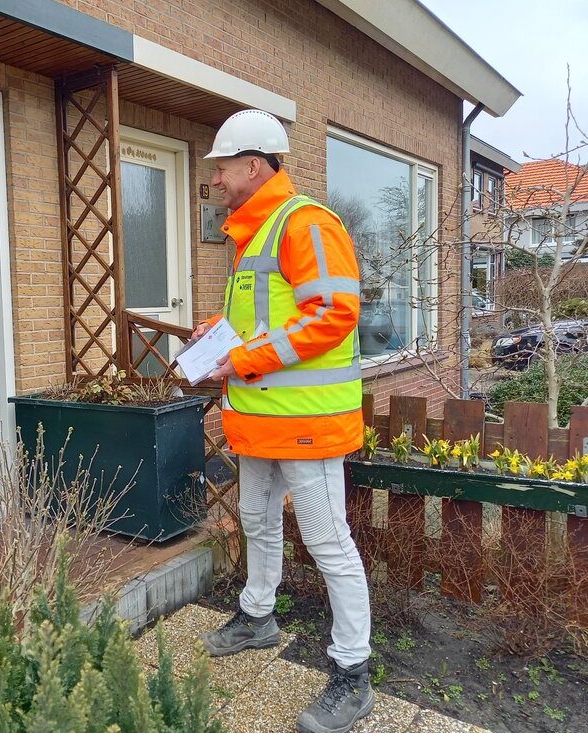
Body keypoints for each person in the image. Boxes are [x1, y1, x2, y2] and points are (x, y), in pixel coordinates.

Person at [195, 110, 372, 733]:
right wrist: (218, 343)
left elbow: (332, 314)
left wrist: (241, 356)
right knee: (256, 521)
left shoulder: (306, 223)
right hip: (263, 421)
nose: (215, 177)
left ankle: (353, 673)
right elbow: (266, 325)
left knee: (329, 544)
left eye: (222, 165)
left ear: (254, 164)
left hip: (307, 424)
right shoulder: (251, 235)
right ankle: (258, 616)